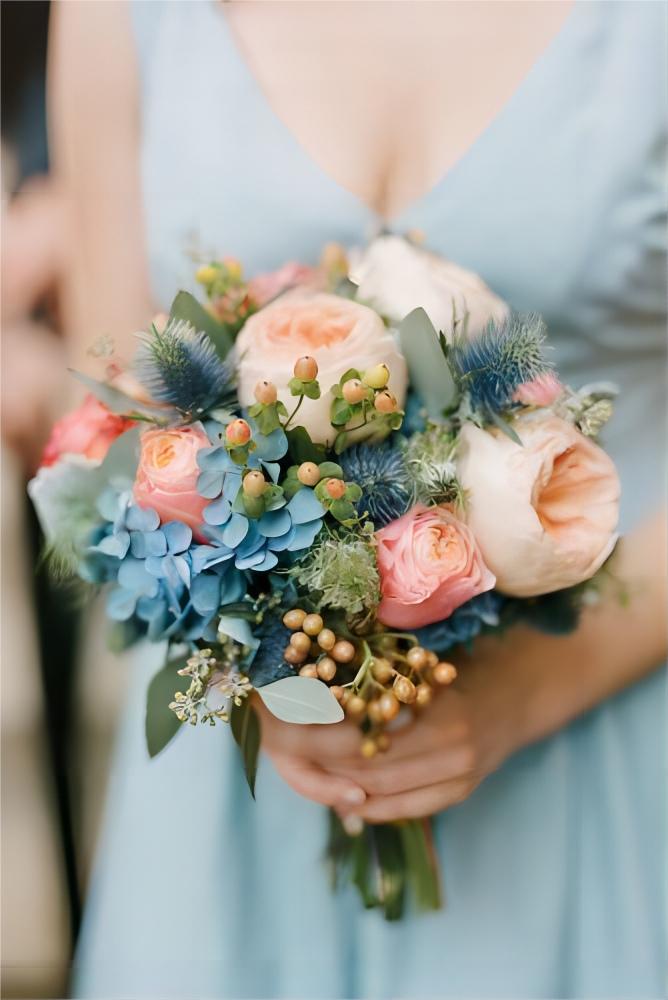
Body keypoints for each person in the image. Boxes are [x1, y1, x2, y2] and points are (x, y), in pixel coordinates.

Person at [49, 2, 666, 996]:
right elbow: (116, 396)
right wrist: (258, 657)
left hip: (602, 727)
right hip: (251, 767)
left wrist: (525, 693)